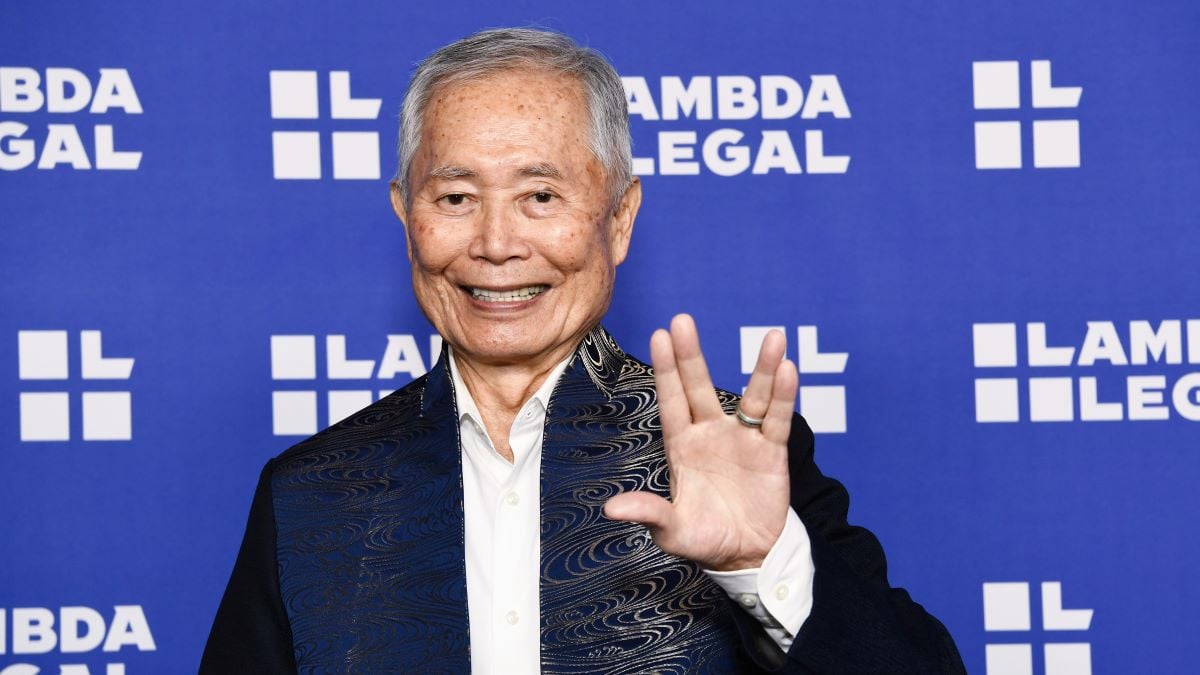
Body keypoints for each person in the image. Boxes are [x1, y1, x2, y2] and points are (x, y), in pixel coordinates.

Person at [201, 27, 964, 673]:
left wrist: (763, 563)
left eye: (541, 196)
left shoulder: (739, 454)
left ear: (620, 218)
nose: (497, 246)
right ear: (406, 215)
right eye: (456, 198)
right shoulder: (309, 496)